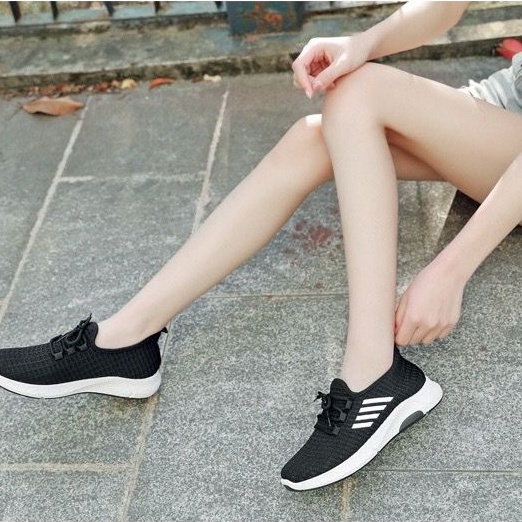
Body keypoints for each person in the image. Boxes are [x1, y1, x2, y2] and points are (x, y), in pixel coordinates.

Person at [1, 1, 521, 491]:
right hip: (506, 109)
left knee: (359, 92)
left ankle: (374, 374)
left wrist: (451, 270)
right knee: (313, 136)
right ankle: (124, 341)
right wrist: (364, 41)